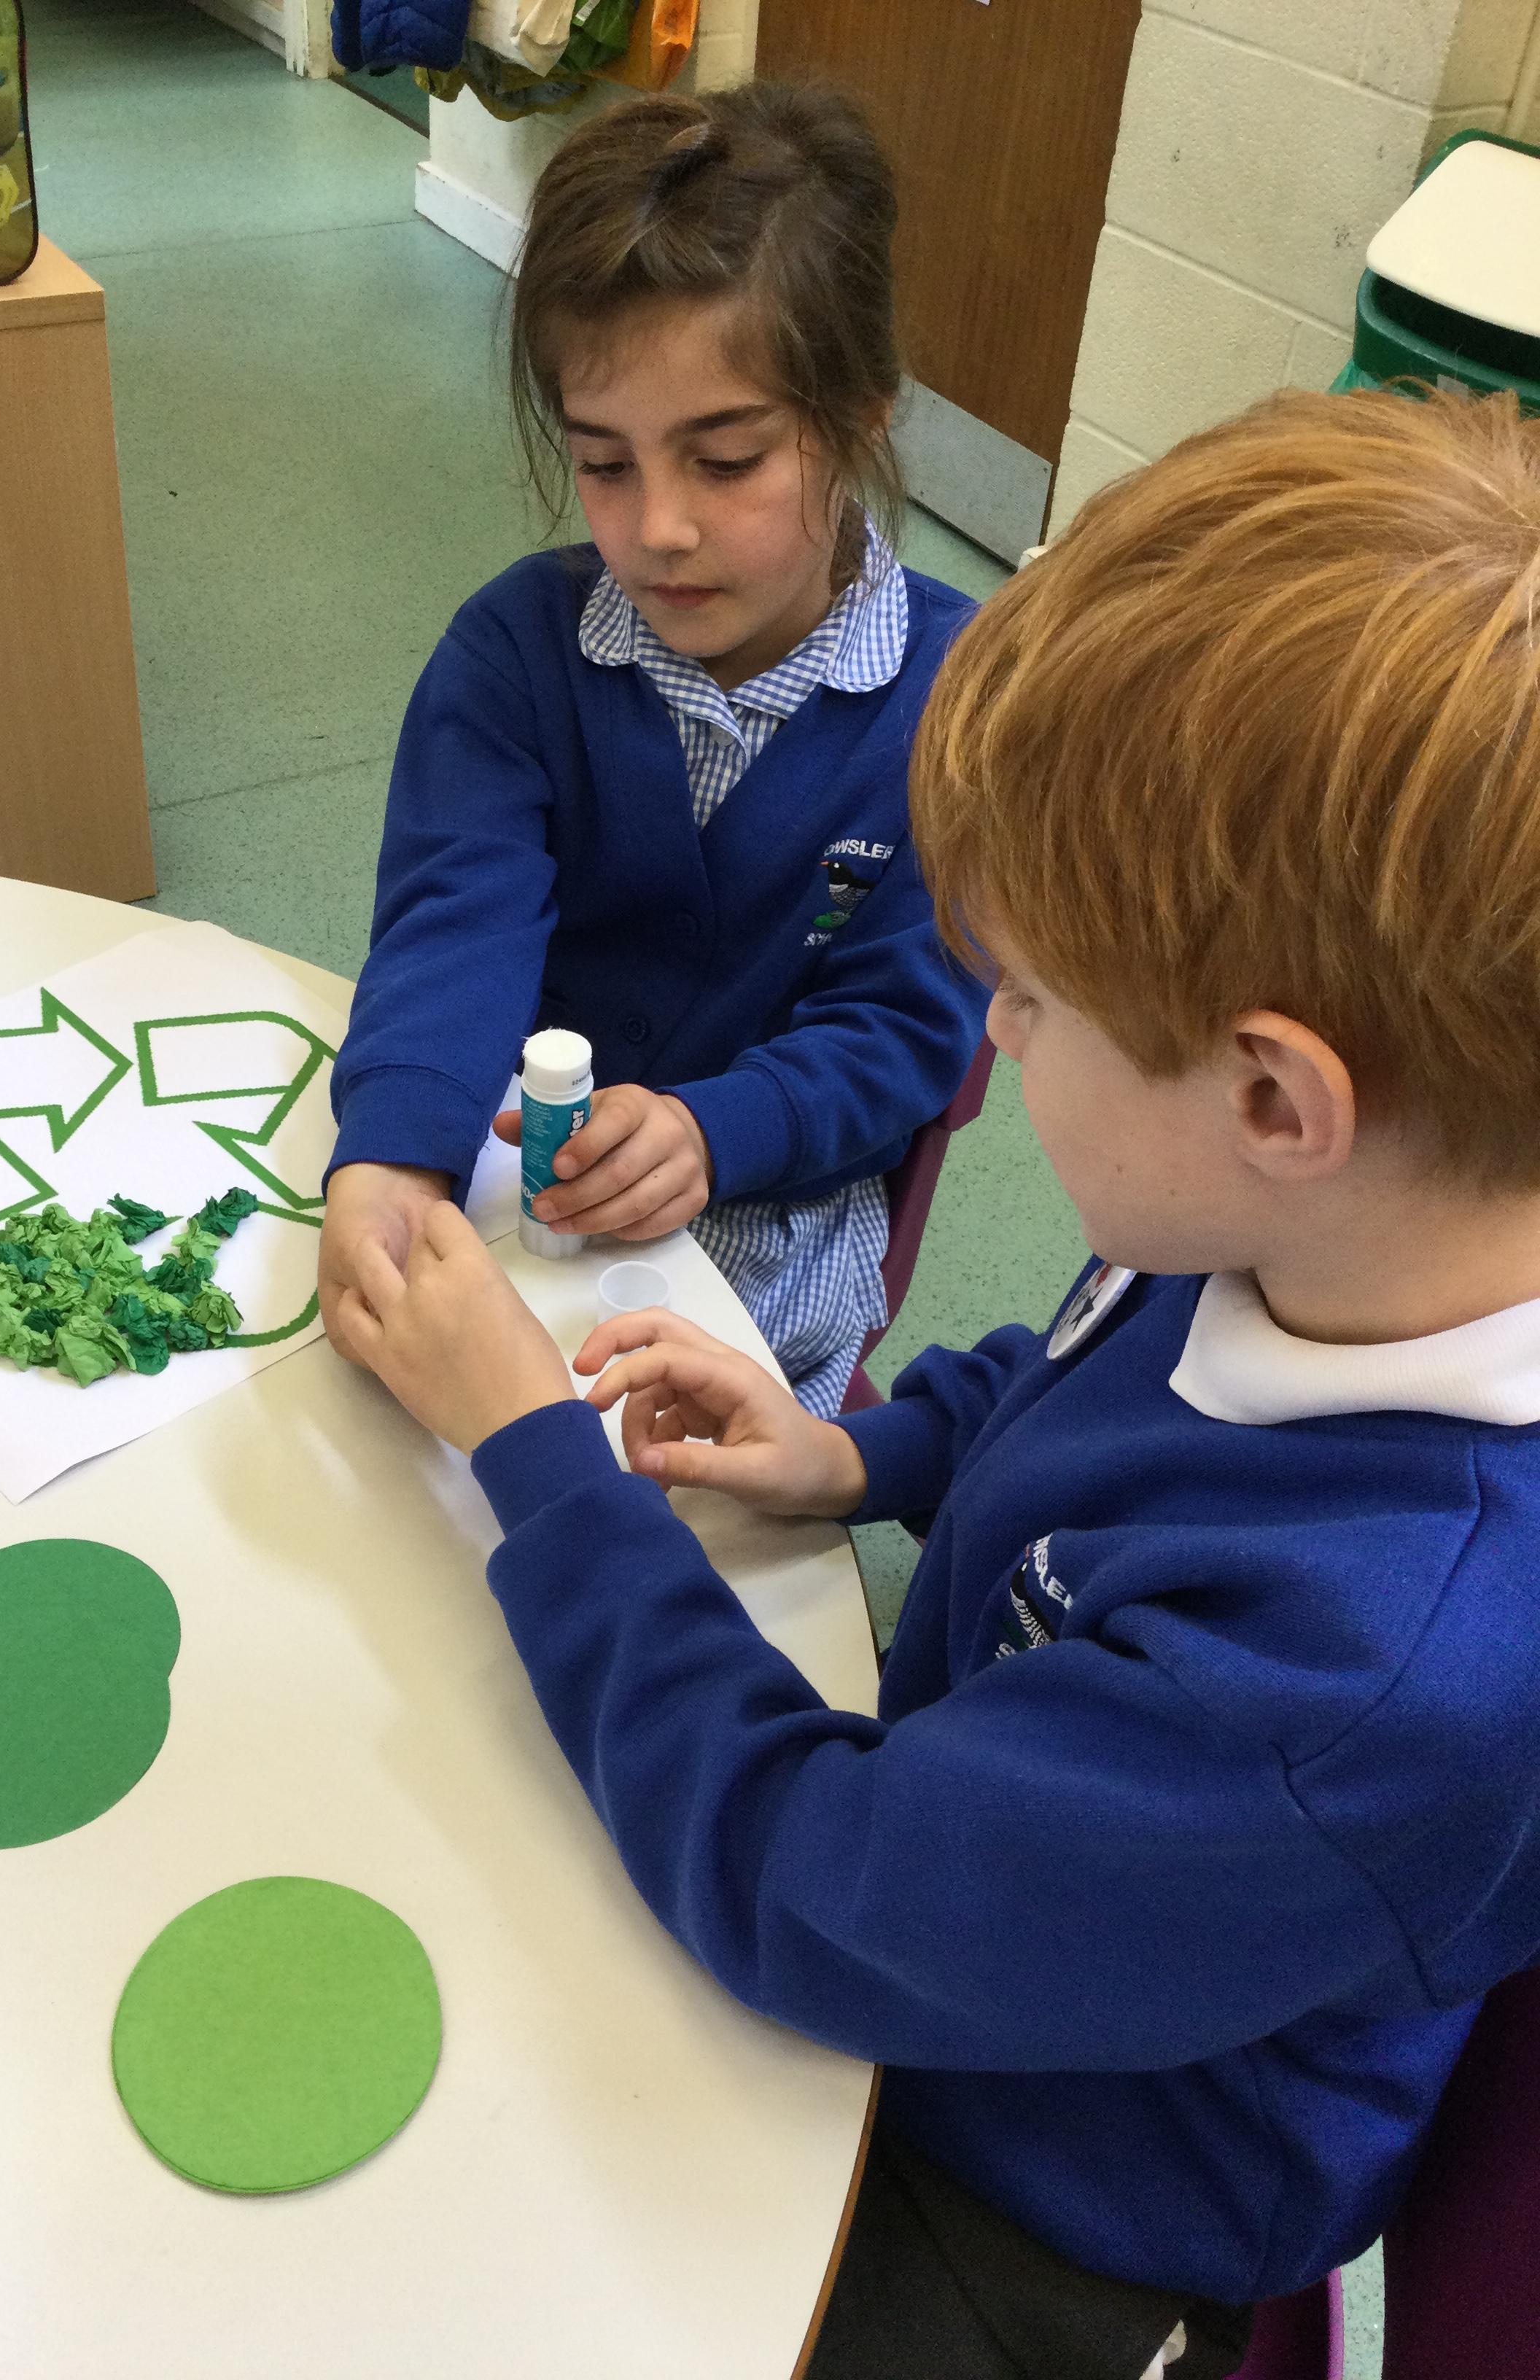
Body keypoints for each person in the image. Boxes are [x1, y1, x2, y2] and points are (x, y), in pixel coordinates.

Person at [331, 386, 1540, 2379]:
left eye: (1031, 1000)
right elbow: (1078, 1373)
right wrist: (859, 1453)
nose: (995, 1038)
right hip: (979, 1894)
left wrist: (530, 1449)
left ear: (1273, 1097)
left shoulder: (1363, 1678)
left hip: (1030, 2212)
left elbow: (812, 1883)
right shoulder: (1324, 1228)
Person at [318, 82, 989, 1415]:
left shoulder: (960, 706)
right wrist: (393, 1153)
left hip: (770, 1196)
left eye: (726, 460)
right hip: (527, 1170)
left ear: (862, 416)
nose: (659, 529)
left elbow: (903, 1030)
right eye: (606, 464)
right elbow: (454, 926)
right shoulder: (516, 651)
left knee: (632, 1477)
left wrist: (712, 1129)